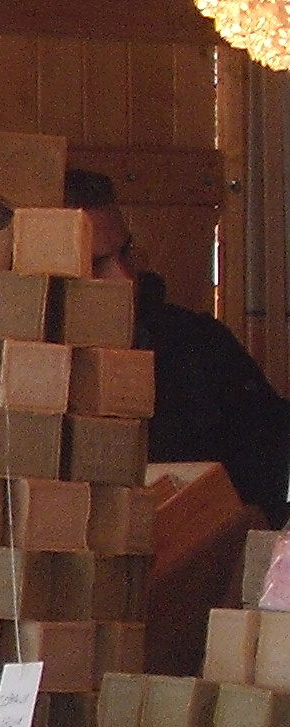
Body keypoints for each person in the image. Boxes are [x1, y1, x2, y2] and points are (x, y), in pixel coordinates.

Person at [67, 167, 290, 522]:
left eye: (125, 254)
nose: (124, 278)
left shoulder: (200, 347)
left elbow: (271, 465)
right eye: (96, 264)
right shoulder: (12, 371)